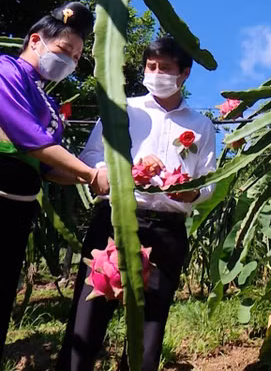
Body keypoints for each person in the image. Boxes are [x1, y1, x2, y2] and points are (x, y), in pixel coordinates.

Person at [56, 37, 217, 371]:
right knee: (85, 326)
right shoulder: (122, 110)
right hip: (113, 225)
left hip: (167, 232)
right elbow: (90, 159)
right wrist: (127, 171)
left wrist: (190, 191)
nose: (156, 73)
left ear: (184, 73)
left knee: (147, 335)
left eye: (166, 68)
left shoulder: (201, 126)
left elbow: (208, 181)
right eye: (151, 66)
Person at [0, 2, 108, 358]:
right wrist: (90, 172)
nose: (70, 62)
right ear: (36, 40)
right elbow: (31, 139)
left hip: (19, 209)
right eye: (64, 51)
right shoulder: (6, 72)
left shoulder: (50, 104)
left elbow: (48, 167)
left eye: (77, 58)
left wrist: (96, 179)